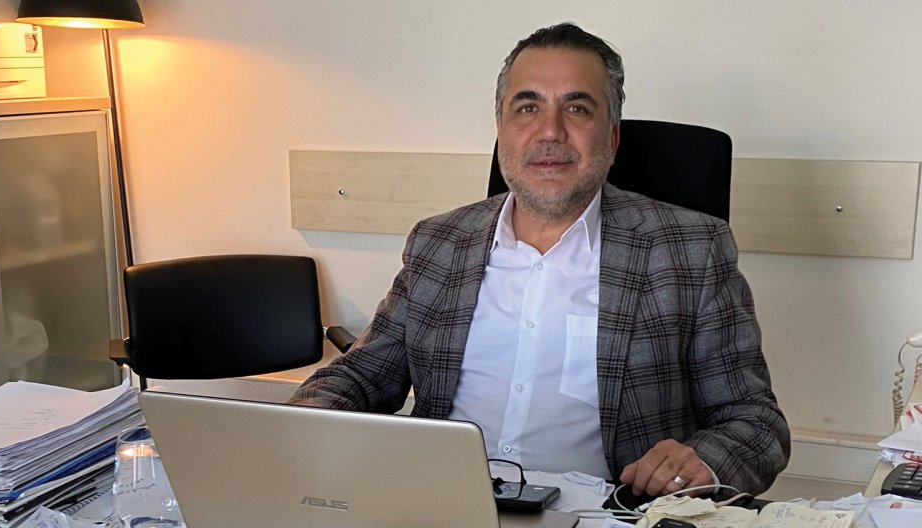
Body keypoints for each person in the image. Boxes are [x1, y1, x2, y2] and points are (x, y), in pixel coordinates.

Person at [290, 22, 790, 497]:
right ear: (502, 130)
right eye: (527, 108)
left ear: (612, 138)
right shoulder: (439, 241)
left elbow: (754, 422)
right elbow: (360, 377)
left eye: (577, 108)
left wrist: (702, 462)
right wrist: (298, 428)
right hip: (444, 506)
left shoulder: (691, 250)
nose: (550, 131)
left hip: (607, 517)